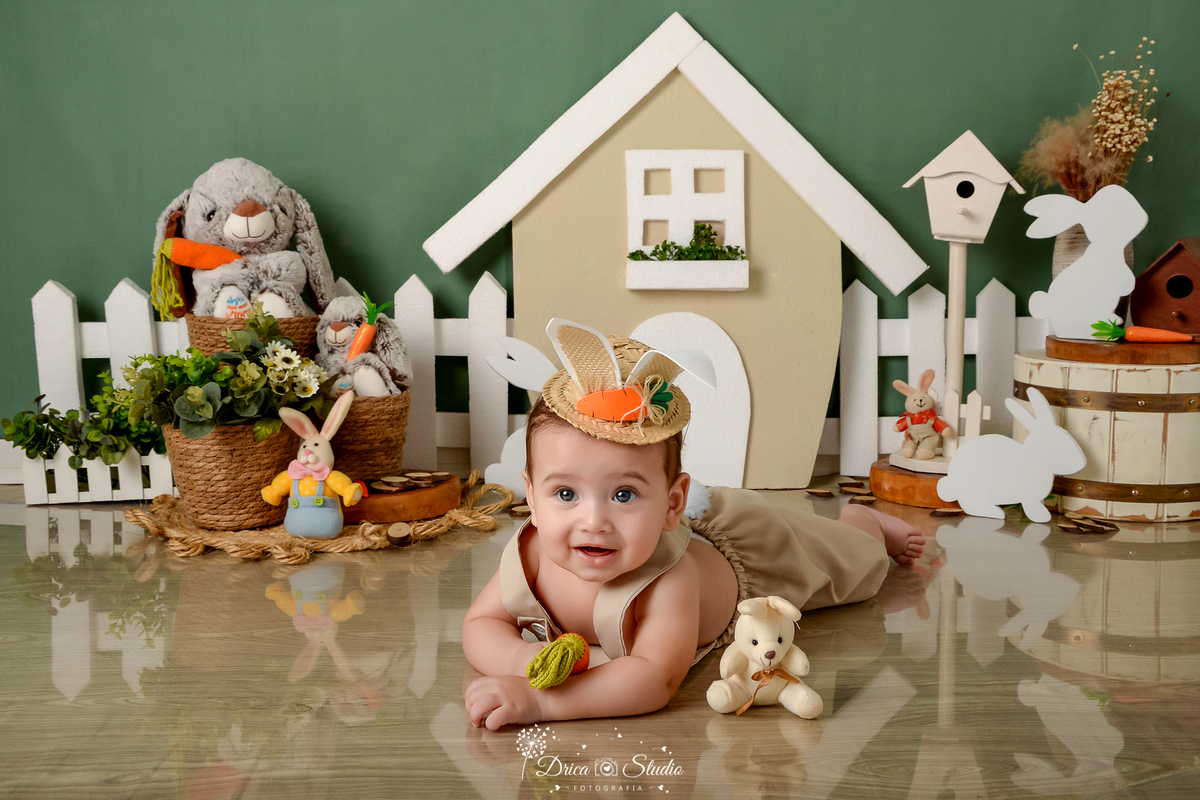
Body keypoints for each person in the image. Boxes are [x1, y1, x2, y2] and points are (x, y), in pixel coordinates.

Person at [462, 321, 925, 730]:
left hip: (749, 554)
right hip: (683, 523)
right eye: (566, 494)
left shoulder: (670, 581)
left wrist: (541, 700)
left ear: (671, 502)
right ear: (533, 500)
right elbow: (481, 624)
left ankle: (865, 521)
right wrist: (525, 661)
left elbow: (653, 679)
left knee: (851, 566)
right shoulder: (529, 555)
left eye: (623, 495)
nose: (593, 521)